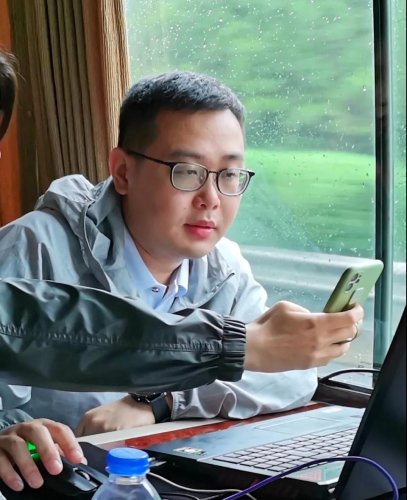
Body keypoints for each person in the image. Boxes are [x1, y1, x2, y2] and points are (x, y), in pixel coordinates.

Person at [0, 54, 362, 491]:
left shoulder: (224, 266)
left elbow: (288, 373)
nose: (212, 198)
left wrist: (160, 401)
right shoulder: (33, 249)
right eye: (187, 172)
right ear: (123, 172)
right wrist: (8, 434)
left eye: (229, 174)